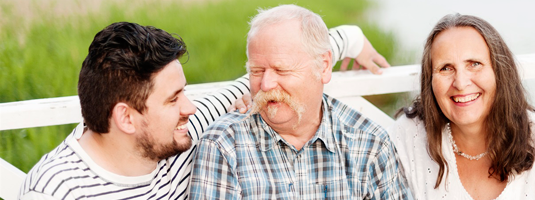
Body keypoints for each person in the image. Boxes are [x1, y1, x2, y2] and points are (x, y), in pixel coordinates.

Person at [19, 20, 387, 199]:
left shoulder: (185, 132)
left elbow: (274, 70)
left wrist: (351, 39)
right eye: (173, 99)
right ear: (126, 118)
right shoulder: (55, 190)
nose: (191, 108)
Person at [189, 4, 412, 199]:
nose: (265, 85)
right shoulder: (223, 146)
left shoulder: (370, 144)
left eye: (281, 70)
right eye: (256, 71)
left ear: (324, 66)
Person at [388, 14, 535, 199]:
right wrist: (354, 43)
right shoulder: (408, 136)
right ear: (430, 81)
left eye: (474, 64)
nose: (460, 82)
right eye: (446, 68)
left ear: (499, 71)